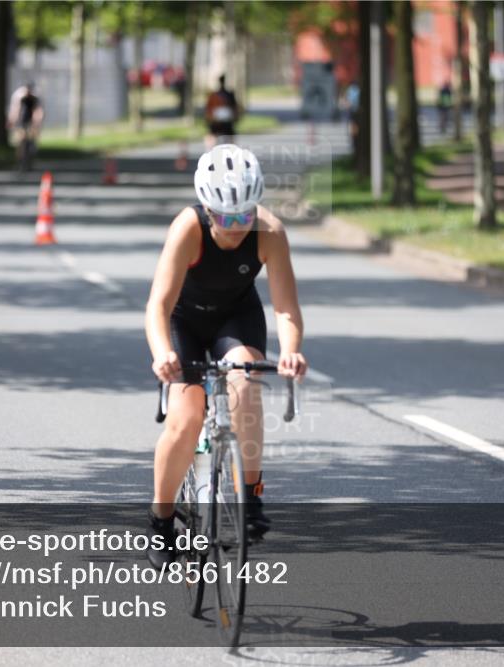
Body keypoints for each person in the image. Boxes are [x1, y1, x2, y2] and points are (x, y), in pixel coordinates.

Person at [144, 144, 308, 568]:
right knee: (186, 416)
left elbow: (286, 308)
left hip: (235, 318)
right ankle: (161, 521)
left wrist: (290, 352)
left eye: (244, 216)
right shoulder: (188, 228)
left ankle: (250, 497)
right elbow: (158, 306)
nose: (236, 227)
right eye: (225, 217)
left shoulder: (269, 231)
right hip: (185, 323)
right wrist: (162, 353)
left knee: (245, 385)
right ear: (206, 207)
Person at [7, 82, 45, 166]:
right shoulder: (21, 99)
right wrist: (12, 120)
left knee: (32, 139)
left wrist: (37, 121)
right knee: (20, 141)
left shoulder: (34, 99)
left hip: (31, 122)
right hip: (22, 122)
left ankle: (30, 157)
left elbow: (38, 111)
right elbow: (16, 110)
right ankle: (19, 160)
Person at [204, 74, 240, 148]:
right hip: (222, 121)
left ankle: (210, 150)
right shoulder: (228, 95)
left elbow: (209, 109)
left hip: (220, 121)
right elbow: (235, 108)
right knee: (228, 136)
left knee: (213, 135)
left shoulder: (215, 95)